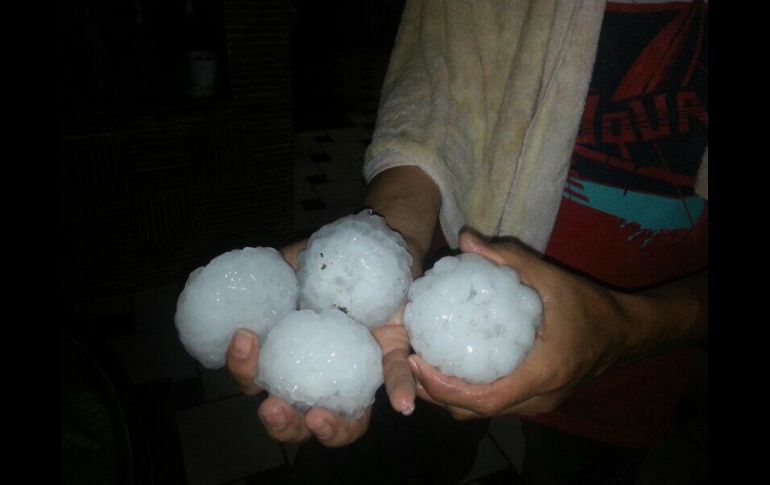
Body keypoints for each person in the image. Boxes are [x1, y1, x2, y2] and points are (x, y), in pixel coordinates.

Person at [226, 0, 707, 483]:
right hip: (417, 330)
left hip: (638, 360)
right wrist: (386, 235)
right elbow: (434, 97)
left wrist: (629, 328)